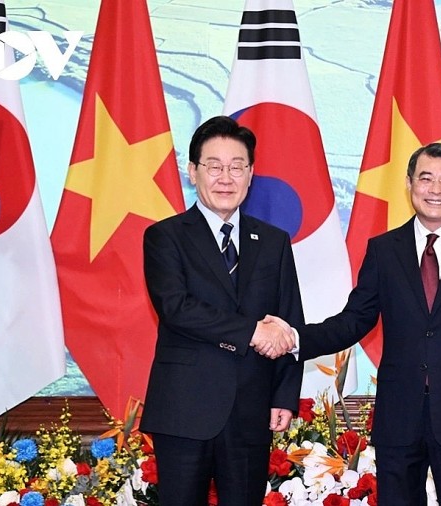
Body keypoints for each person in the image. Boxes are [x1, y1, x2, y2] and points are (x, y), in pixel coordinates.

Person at [270, 142, 441, 505]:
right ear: (409, 184)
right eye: (426, 179)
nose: (436, 190)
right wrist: (294, 337)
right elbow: (354, 320)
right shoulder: (384, 250)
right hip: (399, 416)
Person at [140, 115, 302, 506]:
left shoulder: (274, 242)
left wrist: (284, 395)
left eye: (236, 167)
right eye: (213, 166)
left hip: (251, 409)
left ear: (250, 175)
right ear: (192, 171)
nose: (225, 177)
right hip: (184, 409)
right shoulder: (165, 236)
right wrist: (251, 331)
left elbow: (288, 321)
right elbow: (177, 308)